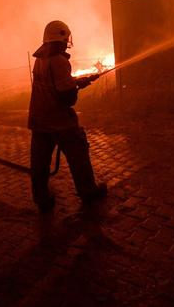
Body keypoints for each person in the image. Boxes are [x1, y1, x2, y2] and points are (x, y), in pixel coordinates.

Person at [28, 20, 106, 212]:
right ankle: (88, 191)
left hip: (39, 119)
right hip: (60, 122)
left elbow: (53, 84)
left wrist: (76, 81)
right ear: (61, 38)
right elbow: (67, 97)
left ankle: (41, 198)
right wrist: (75, 88)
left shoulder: (40, 59)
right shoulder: (59, 61)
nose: (67, 43)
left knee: (40, 162)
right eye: (66, 38)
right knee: (78, 154)